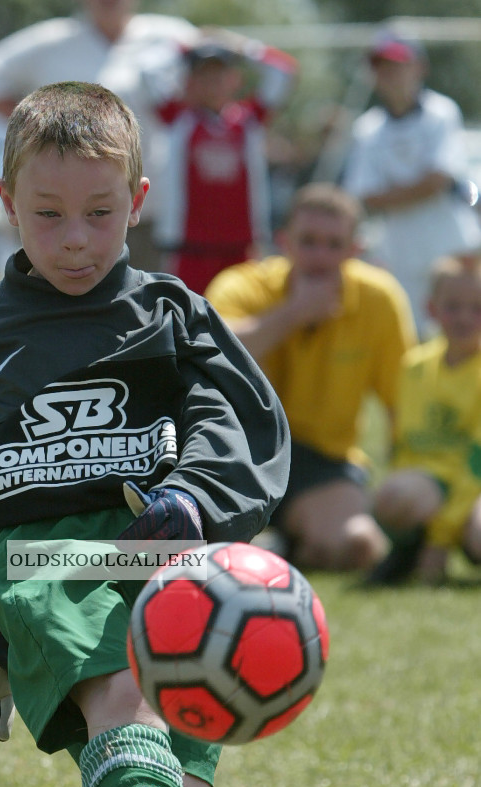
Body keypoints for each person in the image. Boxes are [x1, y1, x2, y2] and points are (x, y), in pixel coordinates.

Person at [0, 81, 290, 787]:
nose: (75, 238)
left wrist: (196, 498)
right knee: (125, 698)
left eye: (99, 211)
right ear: (6, 203)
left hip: (164, 554)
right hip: (41, 559)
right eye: (46, 215)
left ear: (137, 201)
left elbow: (238, 420)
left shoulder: (171, 311)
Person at [205, 182, 417, 573]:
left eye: (334, 244)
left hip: (324, 461)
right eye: (309, 241)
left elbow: (403, 401)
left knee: (359, 545)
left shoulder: (380, 298)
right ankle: (278, 543)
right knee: (187, 549)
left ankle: (282, 545)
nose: (320, 256)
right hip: (241, 452)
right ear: (284, 241)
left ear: (356, 249)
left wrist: (409, 481)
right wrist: (294, 313)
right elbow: (212, 351)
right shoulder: (242, 284)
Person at [0, 0, 200, 271]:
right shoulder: (52, 39)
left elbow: (219, 70)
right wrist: (37, 131)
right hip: (67, 208)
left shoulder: (169, 37)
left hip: (153, 201)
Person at [342, 28, 481, 339]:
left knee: (463, 338)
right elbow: (364, 196)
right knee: (412, 339)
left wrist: (392, 193)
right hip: (400, 254)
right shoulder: (367, 128)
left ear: (419, 67)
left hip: (451, 248)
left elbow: (439, 178)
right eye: (381, 66)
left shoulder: (441, 113)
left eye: (397, 64)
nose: (389, 74)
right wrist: (421, 187)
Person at [147, 31, 298, 295]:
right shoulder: (177, 119)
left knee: (238, 324)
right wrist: (188, 43)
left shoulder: (250, 119)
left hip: (240, 247)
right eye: (204, 73)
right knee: (184, 323)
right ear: (190, 80)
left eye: (221, 73)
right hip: (188, 247)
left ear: (235, 79)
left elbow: (283, 70)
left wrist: (243, 45)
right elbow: (147, 72)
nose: (213, 81)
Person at [366, 255, 481, 585]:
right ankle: (407, 551)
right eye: (453, 306)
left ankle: (453, 545)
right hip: (435, 482)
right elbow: (406, 445)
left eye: (477, 307)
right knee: (392, 496)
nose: (465, 317)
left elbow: (476, 462)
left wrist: (441, 539)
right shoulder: (414, 366)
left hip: (474, 483)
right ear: (431, 308)